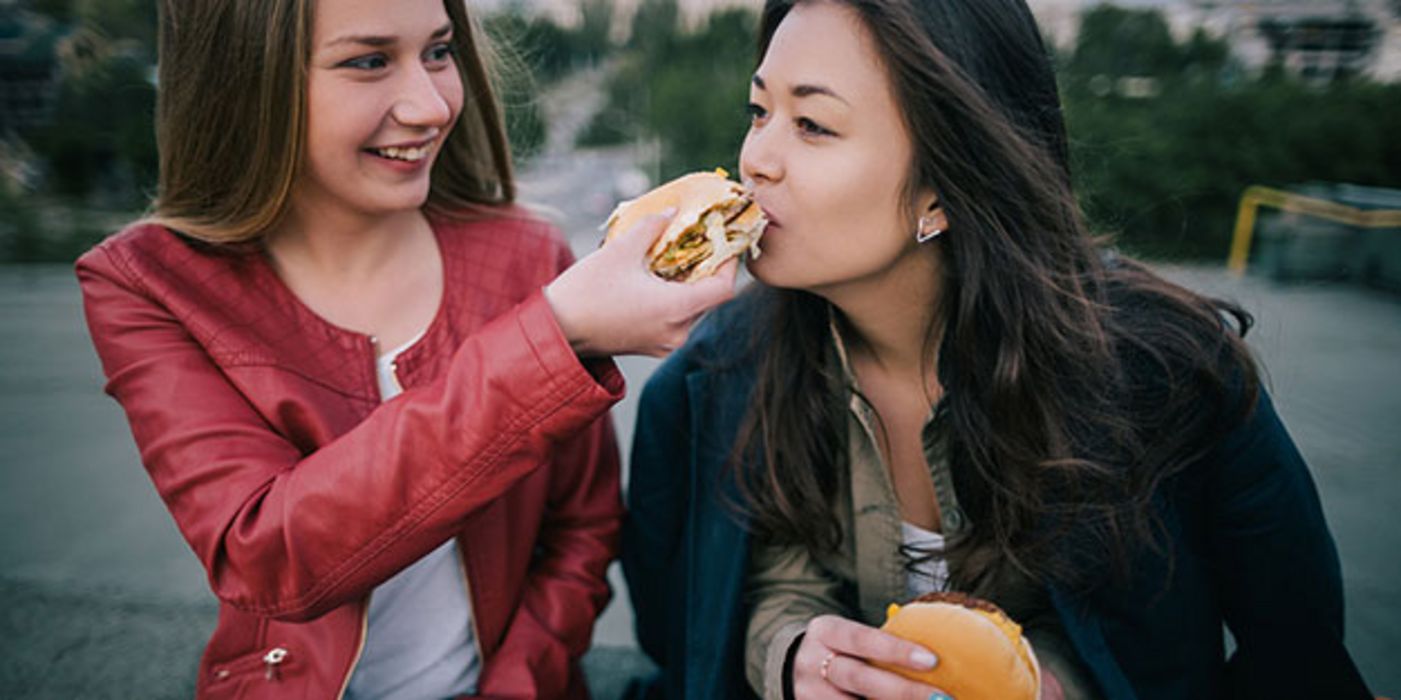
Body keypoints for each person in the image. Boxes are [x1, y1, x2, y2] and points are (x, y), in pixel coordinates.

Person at [622, 1, 1373, 699]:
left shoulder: (1169, 374)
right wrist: (788, 658)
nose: (756, 158)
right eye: (760, 111)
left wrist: (1057, 682)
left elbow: (1298, 647)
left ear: (944, 186)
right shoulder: (707, 377)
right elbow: (680, 629)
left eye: (812, 124)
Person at [75, 0, 735, 698]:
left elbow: (582, 529)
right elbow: (267, 557)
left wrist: (518, 686)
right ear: (245, 77)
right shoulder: (147, 284)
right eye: (368, 61)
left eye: (440, 51)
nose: (430, 106)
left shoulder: (525, 252)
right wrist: (552, 337)